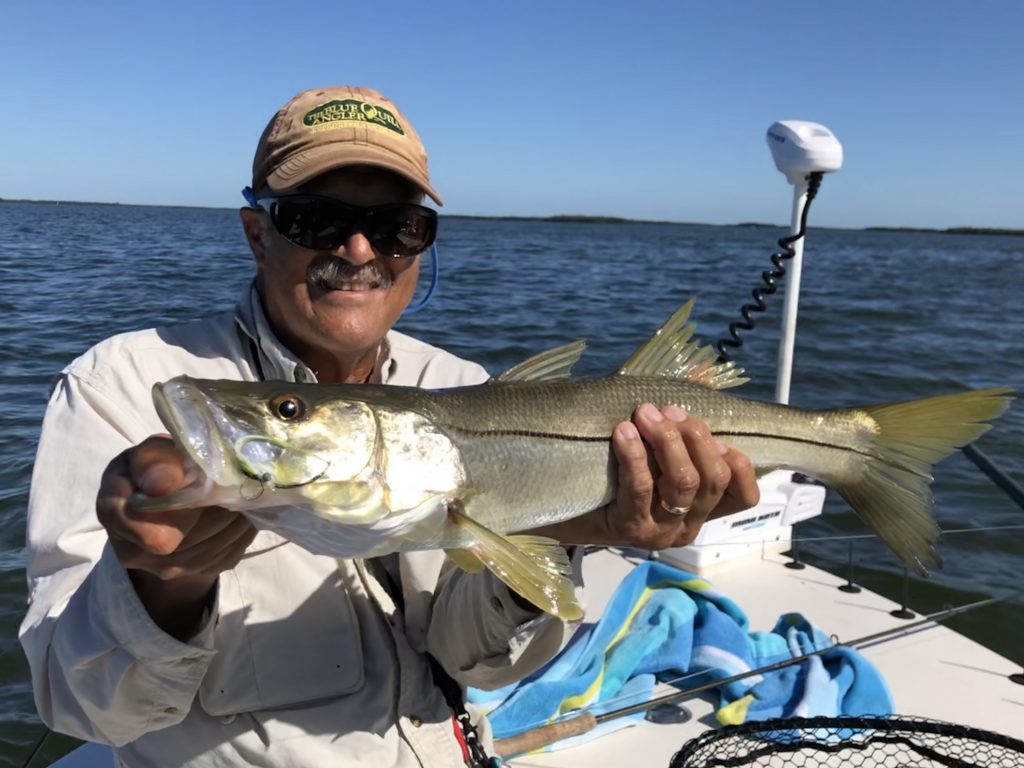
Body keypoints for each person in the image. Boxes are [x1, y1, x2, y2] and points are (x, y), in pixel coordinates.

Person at [19, 85, 760, 767]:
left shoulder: (465, 387)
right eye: (317, 219)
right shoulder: (120, 384)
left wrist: (569, 533)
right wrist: (163, 590)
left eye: (397, 226)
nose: (360, 251)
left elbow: (478, 664)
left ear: (423, 242)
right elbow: (83, 709)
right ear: (257, 233)